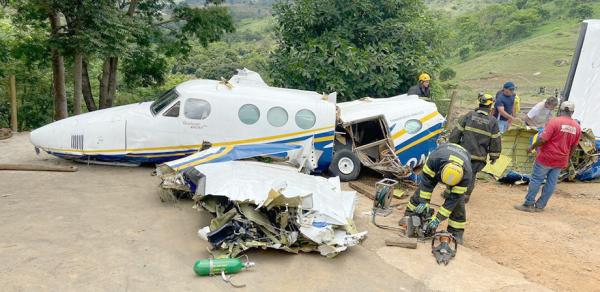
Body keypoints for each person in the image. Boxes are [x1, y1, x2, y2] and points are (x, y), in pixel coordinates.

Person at [514, 101, 581, 212]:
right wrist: (567, 160)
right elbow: (574, 146)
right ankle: (540, 206)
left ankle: (529, 204)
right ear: (573, 112)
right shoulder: (577, 127)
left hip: (546, 157)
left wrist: (531, 147)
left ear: (560, 110)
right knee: (551, 182)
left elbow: (543, 139)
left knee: (536, 180)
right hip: (561, 160)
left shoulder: (554, 122)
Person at [404, 143, 472, 244]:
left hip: (464, 156)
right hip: (442, 156)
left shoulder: (466, 175)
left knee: (458, 202)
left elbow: (453, 199)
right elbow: (426, 184)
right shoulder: (433, 160)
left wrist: (438, 218)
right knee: (421, 192)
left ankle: (455, 232)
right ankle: (408, 216)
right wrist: (424, 202)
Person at [449, 93, 501, 203]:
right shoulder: (493, 121)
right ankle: (465, 195)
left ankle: (449, 192)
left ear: (479, 103)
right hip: (479, 155)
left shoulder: (468, 116)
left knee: (456, 170)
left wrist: (452, 145)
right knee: (471, 175)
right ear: (490, 106)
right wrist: (494, 156)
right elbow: (495, 140)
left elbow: (456, 133)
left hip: (463, 153)